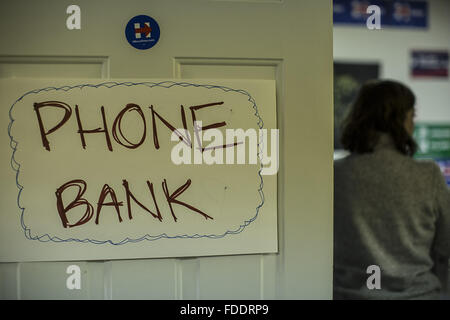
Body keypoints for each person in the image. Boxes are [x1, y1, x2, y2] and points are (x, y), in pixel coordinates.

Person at [333, 79, 450, 300]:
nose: (413, 124)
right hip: (418, 294)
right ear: (401, 120)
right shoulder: (427, 176)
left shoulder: (335, 174)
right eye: (412, 116)